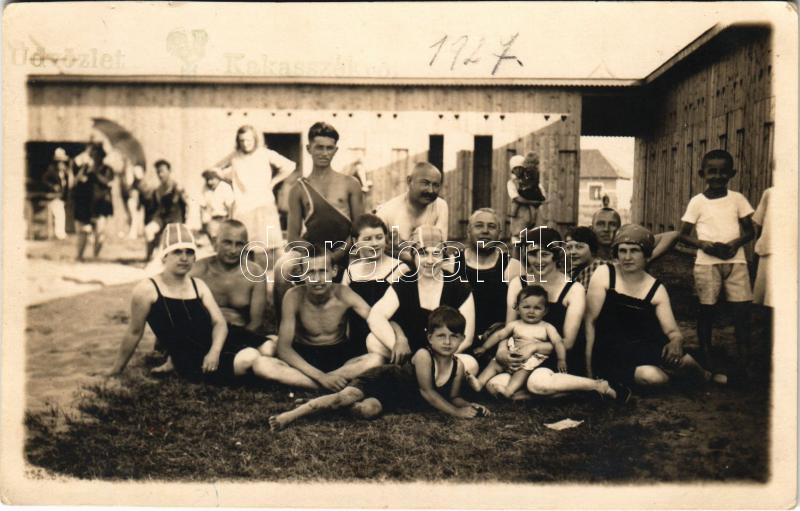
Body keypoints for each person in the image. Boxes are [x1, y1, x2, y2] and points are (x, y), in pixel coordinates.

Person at [269, 306, 491, 430]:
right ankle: (290, 415)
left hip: (393, 400)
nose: (447, 342)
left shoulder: (458, 366)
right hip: (381, 381)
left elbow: (453, 397)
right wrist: (457, 413)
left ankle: (323, 405)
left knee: (367, 411)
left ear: (462, 339)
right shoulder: (424, 356)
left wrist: (470, 406)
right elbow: (427, 392)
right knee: (342, 398)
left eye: (454, 336)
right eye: (441, 336)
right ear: (430, 338)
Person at [105, 223, 273, 384]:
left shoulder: (249, 273)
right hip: (201, 342)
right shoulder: (189, 273)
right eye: (177, 252)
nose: (184, 258)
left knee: (270, 347)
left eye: (189, 252)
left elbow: (242, 322)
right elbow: (141, 328)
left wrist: (218, 350)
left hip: (228, 335)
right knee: (252, 357)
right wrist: (116, 370)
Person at [585, 224, 725, 390]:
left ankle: (704, 376)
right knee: (653, 378)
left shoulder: (656, 288)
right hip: (608, 347)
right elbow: (589, 322)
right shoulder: (605, 273)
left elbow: (672, 331)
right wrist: (589, 370)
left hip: (640, 346)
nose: (627, 257)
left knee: (683, 361)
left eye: (634, 251)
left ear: (646, 255)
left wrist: (676, 341)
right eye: (622, 251)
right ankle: (674, 377)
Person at [492, 227, 616, 399]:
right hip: (523, 355)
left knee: (537, 382)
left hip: (557, 356)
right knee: (494, 384)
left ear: (556, 255)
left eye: (545, 254)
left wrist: (535, 347)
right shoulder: (518, 284)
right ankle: (547, 393)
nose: (538, 261)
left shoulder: (574, 289)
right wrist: (502, 350)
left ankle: (597, 386)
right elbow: (509, 328)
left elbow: (568, 342)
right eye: (533, 254)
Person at [253, 252, 383, 390]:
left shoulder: (344, 293)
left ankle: (315, 383)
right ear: (301, 274)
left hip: (339, 356)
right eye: (311, 272)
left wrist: (398, 334)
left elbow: (375, 319)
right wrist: (321, 377)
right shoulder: (293, 296)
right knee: (261, 364)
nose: (317, 279)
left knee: (376, 359)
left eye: (323, 271)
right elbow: (283, 348)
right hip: (304, 357)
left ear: (334, 271)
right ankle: (329, 383)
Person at [678, 150, 755, 375]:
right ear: (702, 174)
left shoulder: (737, 199)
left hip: (736, 261)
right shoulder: (697, 202)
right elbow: (683, 235)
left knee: (741, 311)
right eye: (712, 172)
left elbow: (750, 231)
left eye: (723, 172)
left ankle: (744, 359)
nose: (718, 177)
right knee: (707, 309)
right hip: (707, 264)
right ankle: (706, 355)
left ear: (732, 173)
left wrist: (735, 243)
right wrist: (702, 244)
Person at [273, 122, 363, 311]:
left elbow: (359, 230)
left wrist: (336, 255)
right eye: (319, 147)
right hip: (312, 251)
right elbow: (292, 238)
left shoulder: (351, 183)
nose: (324, 153)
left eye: (329, 148)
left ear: (335, 150)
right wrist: (317, 256)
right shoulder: (298, 188)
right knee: (282, 268)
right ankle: (284, 322)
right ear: (309, 148)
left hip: (346, 249)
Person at [367, 225, 479, 376]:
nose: (430, 261)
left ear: (443, 256)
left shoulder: (459, 287)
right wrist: (397, 344)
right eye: (423, 253)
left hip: (444, 356)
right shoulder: (405, 282)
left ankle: (416, 375)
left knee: (470, 364)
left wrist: (433, 359)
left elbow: (467, 338)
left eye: (436, 254)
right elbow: (375, 316)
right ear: (413, 256)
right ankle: (416, 372)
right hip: (412, 352)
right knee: (373, 340)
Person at [468, 285, 565, 398]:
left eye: (537, 308)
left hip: (530, 359)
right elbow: (499, 335)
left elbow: (558, 342)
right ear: (517, 308)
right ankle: (479, 383)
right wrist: (484, 347)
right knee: (495, 363)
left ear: (545, 311)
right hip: (512, 354)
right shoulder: (514, 325)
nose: (531, 311)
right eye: (526, 307)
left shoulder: (547, 327)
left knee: (522, 371)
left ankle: (509, 390)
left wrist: (561, 359)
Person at [454, 208, 522, 360]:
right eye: (479, 225)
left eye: (491, 226)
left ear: (499, 233)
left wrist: (503, 346)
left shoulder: (513, 267)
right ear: (468, 231)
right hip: (458, 345)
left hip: (499, 346)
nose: (485, 231)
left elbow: (521, 315)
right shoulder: (452, 264)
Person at [215, 125, 297, 251]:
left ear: (255, 139)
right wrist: (228, 180)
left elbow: (289, 166)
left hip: (263, 203)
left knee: (271, 244)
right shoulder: (235, 156)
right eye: (242, 140)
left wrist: (273, 182)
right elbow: (215, 169)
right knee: (243, 244)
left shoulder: (265, 153)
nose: (245, 144)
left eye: (248, 140)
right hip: (243, 205)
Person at [341, 214, 408, 352]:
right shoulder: (350, 271)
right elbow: (344, 313)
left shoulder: (400, 268)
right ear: (355, 241)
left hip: (388, 342)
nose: (374, 243)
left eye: (379, 237)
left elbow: (406, 314)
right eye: (367, 239)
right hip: (356, 342)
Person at [375, 161, 449, 253]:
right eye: (425, 183)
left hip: (430, 260)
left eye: (435, 185)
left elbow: (440, 250)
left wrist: (400, 253)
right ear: (409, 181)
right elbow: (377, 252)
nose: (430, 190)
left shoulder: (440, 206)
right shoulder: (386, 212)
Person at [72, 143, 114, 261]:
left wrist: (95, 173)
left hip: (101, 204)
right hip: (87, 204)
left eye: (97, 155)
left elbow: (108, 182)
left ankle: (96, 256)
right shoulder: (86, 168)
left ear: (102, 156)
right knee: (84, 230)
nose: (95, 158)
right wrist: (84, 170)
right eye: (93, 155)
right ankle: (79, 256)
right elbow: (77, 181)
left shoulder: (107, 169)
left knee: (100, 231)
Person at [592, 207, 678, 263]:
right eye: (600, 224)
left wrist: (647, 259)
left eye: (612, 224)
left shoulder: (627, 242)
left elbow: (673, 235)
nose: (606, 229)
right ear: (592, 228)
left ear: (619, 229)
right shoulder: (587, 249)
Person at [144, 160, 189, 261]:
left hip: (175, 222)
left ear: (169, 171)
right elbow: (156, 209)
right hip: (162, 220)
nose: (160, 175)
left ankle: (157, 258)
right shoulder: (158, 190)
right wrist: (155, 220)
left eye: (162, 171)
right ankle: (148, 257)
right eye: (158, 172)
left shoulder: (177, 187)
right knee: (148, 230)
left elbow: (188, 205)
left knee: (162, 248)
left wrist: (186, 223)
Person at [507, 153, 546, 244]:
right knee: (518, 239)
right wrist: (532, 202)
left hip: (533, 214)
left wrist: (537, 199)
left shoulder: (530, 178)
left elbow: (542, 195)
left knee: (535, 237)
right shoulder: (512, 182)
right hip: (520, 214)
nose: (518, 171)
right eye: (515, 169)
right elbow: (516, 197)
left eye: (520, 168)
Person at [42, 147, 72, 240]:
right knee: (59, 213)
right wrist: (53, 186)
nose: (61, 163)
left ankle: (61, 233)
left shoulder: (64, 171)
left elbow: (67, 183)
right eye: (59, 161)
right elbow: (44, 179)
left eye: (62, 161)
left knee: (61, 214)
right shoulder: (51, 170)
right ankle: (59, 234)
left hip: (61, 197)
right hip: (53, 196)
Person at [199, 168, 234, 244]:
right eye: (207, 179)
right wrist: (203, 224)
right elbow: (202, 206)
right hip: (212, 220)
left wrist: (230, 222)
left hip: (224, 218)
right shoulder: (205, 189)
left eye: (212, 179)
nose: (209, 182)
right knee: (214, 241)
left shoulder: (224, 187)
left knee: (225, 240)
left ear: (218, 178)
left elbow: (230, 206)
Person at [752, 187, 773, 308]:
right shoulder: (770, 193)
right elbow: (760, 224)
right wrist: (759, 248)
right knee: (766, 299)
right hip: (770, 250)